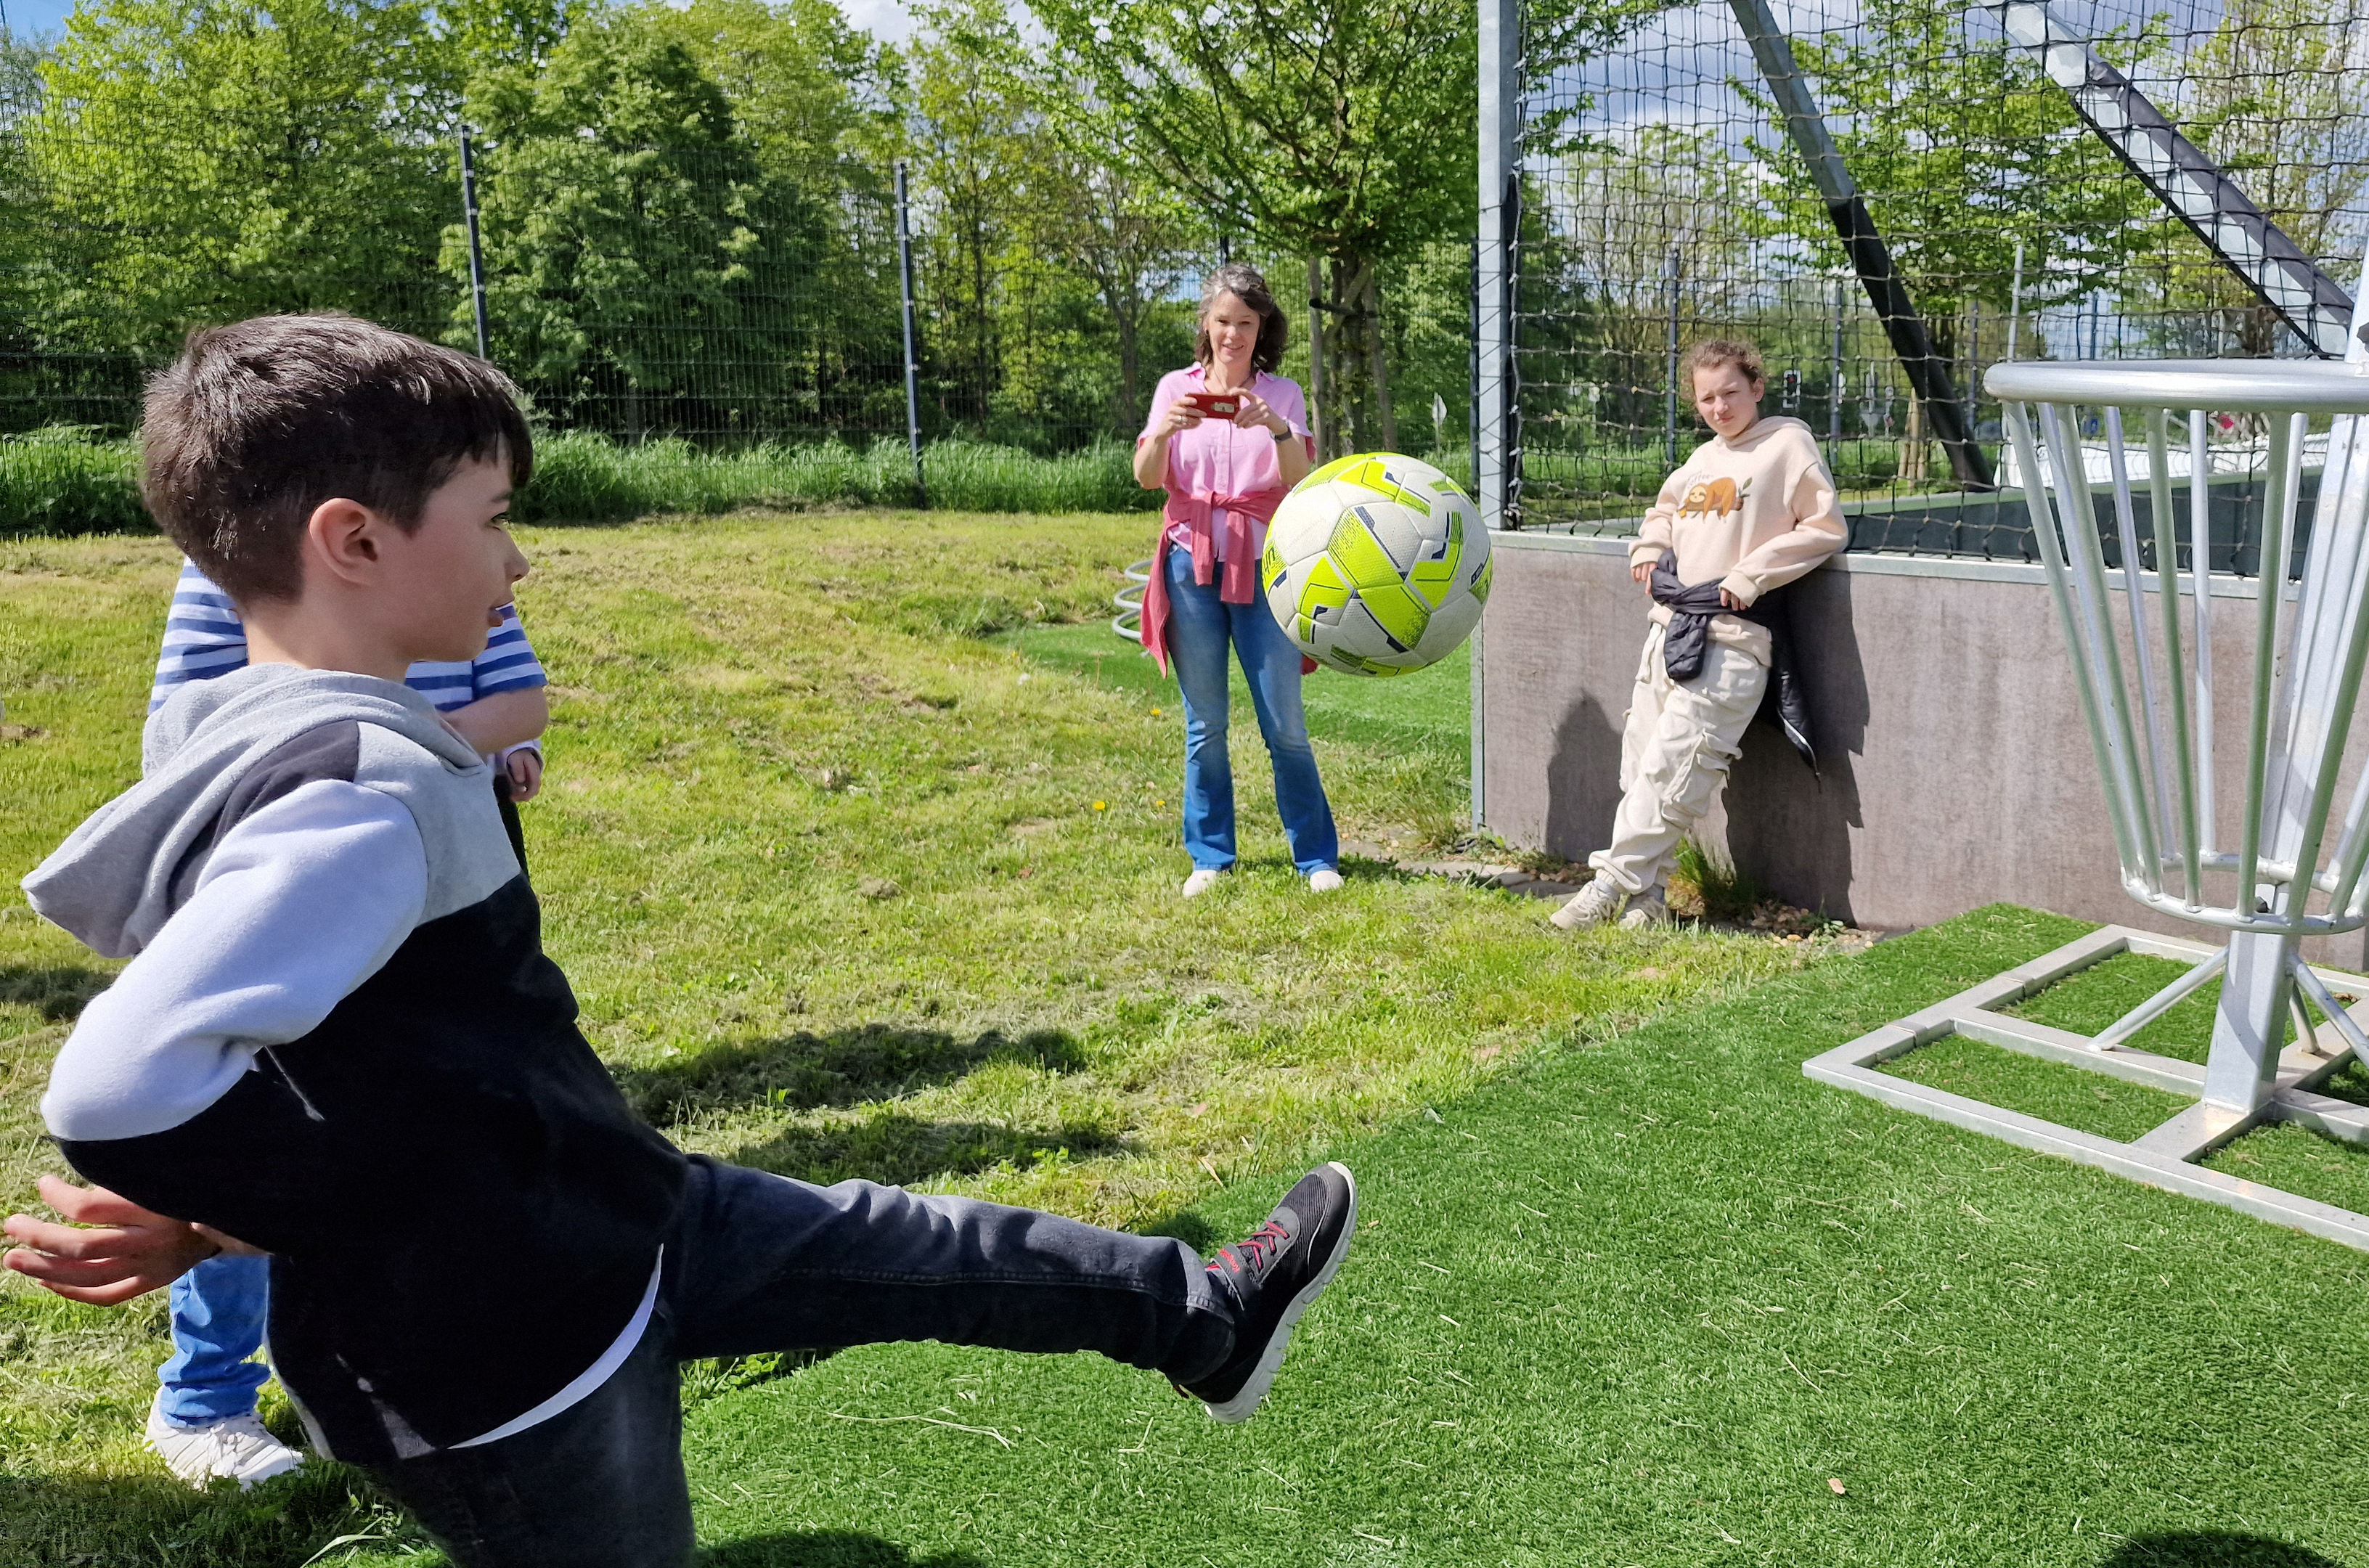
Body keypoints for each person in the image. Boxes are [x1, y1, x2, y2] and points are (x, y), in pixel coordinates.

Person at [3, 315, 1359, 1567]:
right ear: (354, 542)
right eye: (495, 519)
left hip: (613, 1212)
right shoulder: (365, 796)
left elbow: (329, 1072)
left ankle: (1203, 1319)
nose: (519, 558)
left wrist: (214, 1218)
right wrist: (249, 1212)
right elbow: (113, 1087)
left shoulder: (262, 735)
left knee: (922, 1243)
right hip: (520, 1365)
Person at [137, 561, 552, 1488]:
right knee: (266, 1136)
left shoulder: (449, 547)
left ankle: (415, 1359)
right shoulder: (231, 560)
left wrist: (460, 748)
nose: (511, 553)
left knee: (434, 1109)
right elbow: (181, 728)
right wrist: (396, 752)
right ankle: (205, 1401)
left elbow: (522, 696)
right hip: (296, 872)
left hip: (449, 864)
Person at [1551, 338, 1846, 932]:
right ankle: (1649, 900)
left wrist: (1751, 575)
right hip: (1668, 631)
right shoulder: (1701, 461)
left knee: (1676, 769)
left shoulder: (1788, 445)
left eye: (1730, 392)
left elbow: (1825, 526)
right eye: (1707, 398)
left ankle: (1607, 886)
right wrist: (1649, 546)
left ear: (1757, 387)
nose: (1719, 407)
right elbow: (1664, 510)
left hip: (1734, 640)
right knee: (1641, 765)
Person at [1133, 262, 1342, 899]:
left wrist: (1274, 427)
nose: (1233, 335)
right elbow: (1146, 477)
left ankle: (1316, 858)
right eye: (1223, 321)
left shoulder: (1283, 394)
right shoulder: (1174, 387)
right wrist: (1167, 427)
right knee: (1206, 724)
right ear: (1206, 324)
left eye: (1245, 324)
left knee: (1284, 724)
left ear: (1261, 330)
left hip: (1265, 569)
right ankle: (1210, 856)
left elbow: (1301, 477)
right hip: (1189, 562)